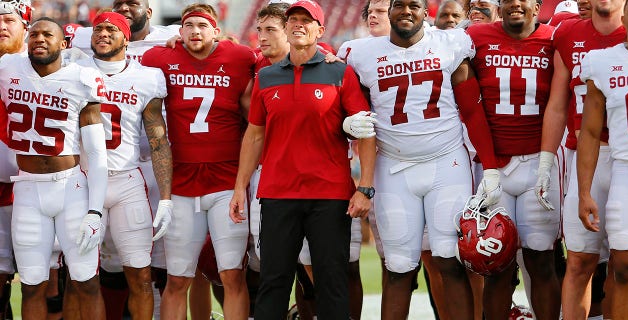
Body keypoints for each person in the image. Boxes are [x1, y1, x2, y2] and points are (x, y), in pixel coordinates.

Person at [344, 0, 500, 318]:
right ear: (389, 12)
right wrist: (347, 125)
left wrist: (491, 167)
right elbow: (353, 109)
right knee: (399, 266)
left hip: (446, 162)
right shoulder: (361, 53)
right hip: (393, 167)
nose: (405, 11)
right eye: (398, 5)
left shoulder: (449, 44)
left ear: (424, 12)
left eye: (413, 5)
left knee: (448, 258)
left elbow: (472, 109)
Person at [228, 1, 375, 318]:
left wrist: (365, 187)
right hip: (278, 194)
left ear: (320, 30)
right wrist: (241, 187)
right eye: (293, 19)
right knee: (273, 282)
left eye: (306, 21)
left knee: (331, 283)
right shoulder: (266, 76)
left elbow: (366, 130)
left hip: (329, 195)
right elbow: (254, 135)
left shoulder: (339, 71)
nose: (298, 25)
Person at [142, 3, 255, 319]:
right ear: (179, 31)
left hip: (226, 181)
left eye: (202, 25)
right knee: (178, 278)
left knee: (232, 274)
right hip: (182, 183)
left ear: (217, 31)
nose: (195, 31)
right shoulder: (159, 58)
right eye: (188, 25)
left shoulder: (240, 57)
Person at [0, 17, 108, 319]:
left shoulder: (81, 78)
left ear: (63, 44)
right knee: (32, 285)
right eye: (33, 34)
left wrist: (95, 211)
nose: (39, 39)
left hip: (70, 188)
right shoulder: (8, 68)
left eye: (48, 34)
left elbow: (97, 153)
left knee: (87, 281)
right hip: (27, 188)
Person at [466, 0, 562, 318]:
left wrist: (548, 163)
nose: (515, 4)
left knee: (541, 260)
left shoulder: (554, 38)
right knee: (496, 265)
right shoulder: (476, 37)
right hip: (497, 165)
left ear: (536, 6)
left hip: (539, 162)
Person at [76, 11, 172, 320]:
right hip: (83, 183)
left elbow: (158, 140)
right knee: (83, 277)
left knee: (141, 276)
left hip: (127, 181)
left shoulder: (147, 77)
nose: (102, 33)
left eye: (110, 29)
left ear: (126, 38)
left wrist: (166, 197)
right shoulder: (74, 71)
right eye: (98, 28)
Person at [537, 0, 625, 316]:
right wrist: (546, 161)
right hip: (586, 155)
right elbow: (558, 104)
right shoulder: (568, 33)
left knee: (625, 261)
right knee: (578, 259)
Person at [577, 0, 628, 316]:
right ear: (624, 17)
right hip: (626, 171)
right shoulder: (602, 61)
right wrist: (584, 191)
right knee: (625, 267)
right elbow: (589, 132)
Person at [0, 0, 31, 317]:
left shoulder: (48, 59)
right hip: (1, 191)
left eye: (9, 19)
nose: (1, 26)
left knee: (47, 277)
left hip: (37, 185)